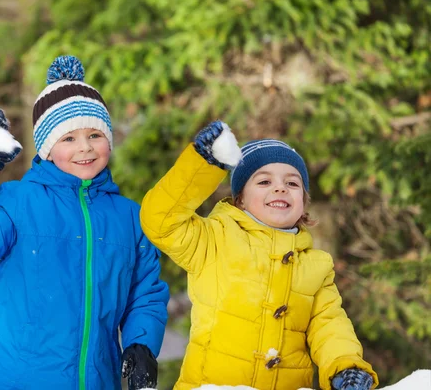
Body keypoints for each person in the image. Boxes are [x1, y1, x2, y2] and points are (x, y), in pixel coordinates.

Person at [0, 56, 169, 390]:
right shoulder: (19, 201)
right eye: (68, 139)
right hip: (19, 379)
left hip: (97, 381)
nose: (85, 148)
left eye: (95, 134)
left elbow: (145, 292)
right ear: (47, 148)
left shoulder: (129, 217)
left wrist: (141, 344)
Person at [139, 120, 378, 390]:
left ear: (304, 202)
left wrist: (346, 366)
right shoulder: (213, 239)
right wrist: (203, 164)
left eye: (292, 183)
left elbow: (329, 325)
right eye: (264, 181)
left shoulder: (316, 266)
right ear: (239, 198)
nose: (280, 188)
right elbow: (159, 220)